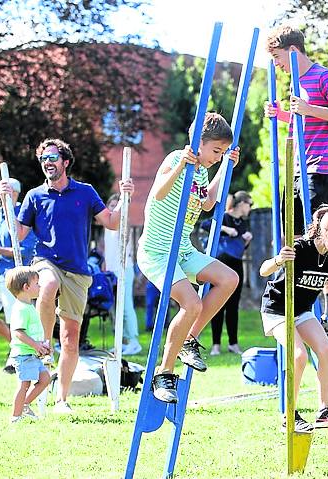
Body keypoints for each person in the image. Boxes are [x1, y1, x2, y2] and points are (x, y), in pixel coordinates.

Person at [0, 137, 134, 414]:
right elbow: (19, 234)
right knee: (47, 284)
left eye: (52, 158)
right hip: (45, 262)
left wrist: (126, 197)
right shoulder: (35, 196)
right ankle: (45, 344)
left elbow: (112, 222)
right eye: (43, 159)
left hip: (78, 272)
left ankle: (62, 400)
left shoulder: (85, 192)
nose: (47, 162)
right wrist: (7, 203)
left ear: (65, 162)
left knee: (71, 339)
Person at [264, 25, 328, 342]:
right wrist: (281, 114)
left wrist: (308, 108)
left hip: (320, 169)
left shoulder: (323, 77)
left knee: (323, 236)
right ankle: (296, 305)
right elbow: (303, 120)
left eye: (278, 57)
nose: (276, 64)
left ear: (293, 52)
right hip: (297, 165)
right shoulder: (297, 81)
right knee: (295, 238)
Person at [138, 113, 240, 404]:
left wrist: (225, 168)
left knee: (229, 279)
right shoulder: (176, 159)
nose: (217, 157)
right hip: (157, 252)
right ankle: (164, 373)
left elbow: (207, 202)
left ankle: (188, 340)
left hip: (182, 249)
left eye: (222, 153)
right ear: (200, 143)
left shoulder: (203, 171)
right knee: (191, 303)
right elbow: (158, 193)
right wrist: (182, 163)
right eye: (216, 151)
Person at [259, 206, 328, 432]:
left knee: (326, 349)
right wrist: (280, 259)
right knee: (299, 356)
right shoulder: (301, 248)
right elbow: (263, 270)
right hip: (277, 309)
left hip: (301, 311)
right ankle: (289, 413)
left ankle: (324, 410)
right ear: (326, 232)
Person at [0, 178, 38, 350]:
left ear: (14, 193)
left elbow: (26, 251)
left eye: (0, 192)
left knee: (15, 320)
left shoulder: (23, 215)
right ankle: (16, 346)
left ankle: (21, 351)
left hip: (14, 274)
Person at [204, 190, 253, 356]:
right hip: (219, 265)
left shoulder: (243, 223)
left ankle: (233, 343)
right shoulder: (224, 216)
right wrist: (224, 228)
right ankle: (216, 345)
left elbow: (239, 247)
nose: (250, 208)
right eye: (249, 204)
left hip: (236, 265)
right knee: (217, 305)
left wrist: (246, 241)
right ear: (241, 203)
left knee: (233, 307)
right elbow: (205, 224)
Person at [6, 266, 51, 423]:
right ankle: (15, 417)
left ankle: (24, 404)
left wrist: (41, 345)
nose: (40, 286)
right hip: (24, 355)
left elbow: (31, 331)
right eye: (37, 283)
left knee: (45, 378)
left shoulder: (29, 307)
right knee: (24, 384)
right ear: (26, 287)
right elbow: (18, 332)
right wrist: (36, 345)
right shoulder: (20, 309)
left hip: (32, 354)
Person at [103, 194, 141, 356]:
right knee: (115, 308)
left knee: (126, 306)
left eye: (115, 205)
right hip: (111, 271)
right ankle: (123, 340)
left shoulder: (123, 222)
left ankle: (134, 341)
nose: (112, 209)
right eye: (110, 205)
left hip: (124, 269)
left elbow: (125, 242)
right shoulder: (108, 225)